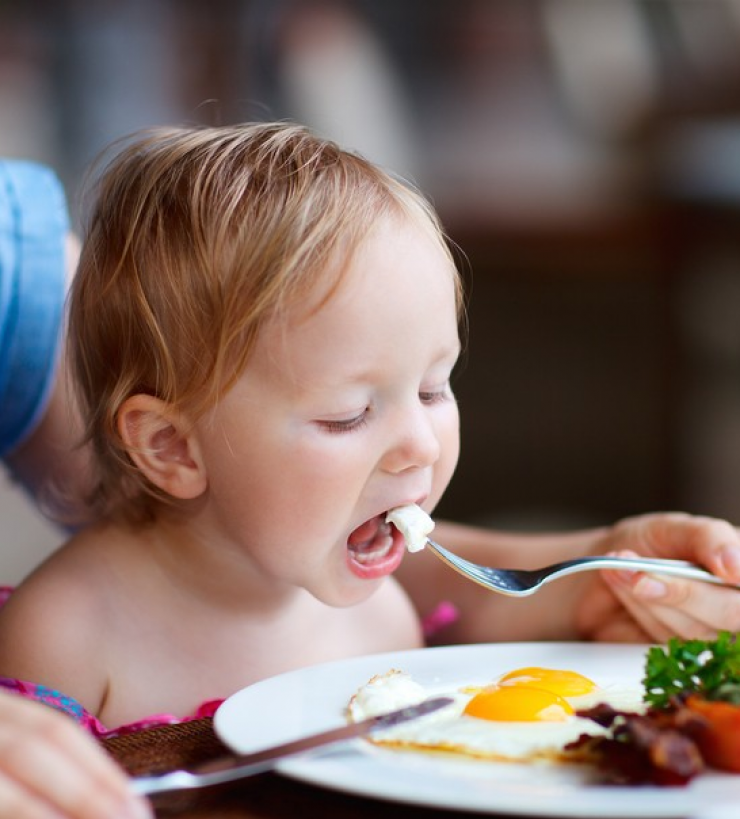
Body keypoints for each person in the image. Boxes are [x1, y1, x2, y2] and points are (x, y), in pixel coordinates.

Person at [0, 124, 738, 740]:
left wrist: (608, 570)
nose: (419, 442)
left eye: (433, 387)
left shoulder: (383, 617)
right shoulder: (66, 637)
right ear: (171, 447)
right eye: (347, 414)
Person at [0, 159, 153, 818]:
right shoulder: (53, 634)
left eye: (436, 389)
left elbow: (215, 522)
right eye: (343, 416)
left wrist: (499, 581)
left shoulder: (12, 258)